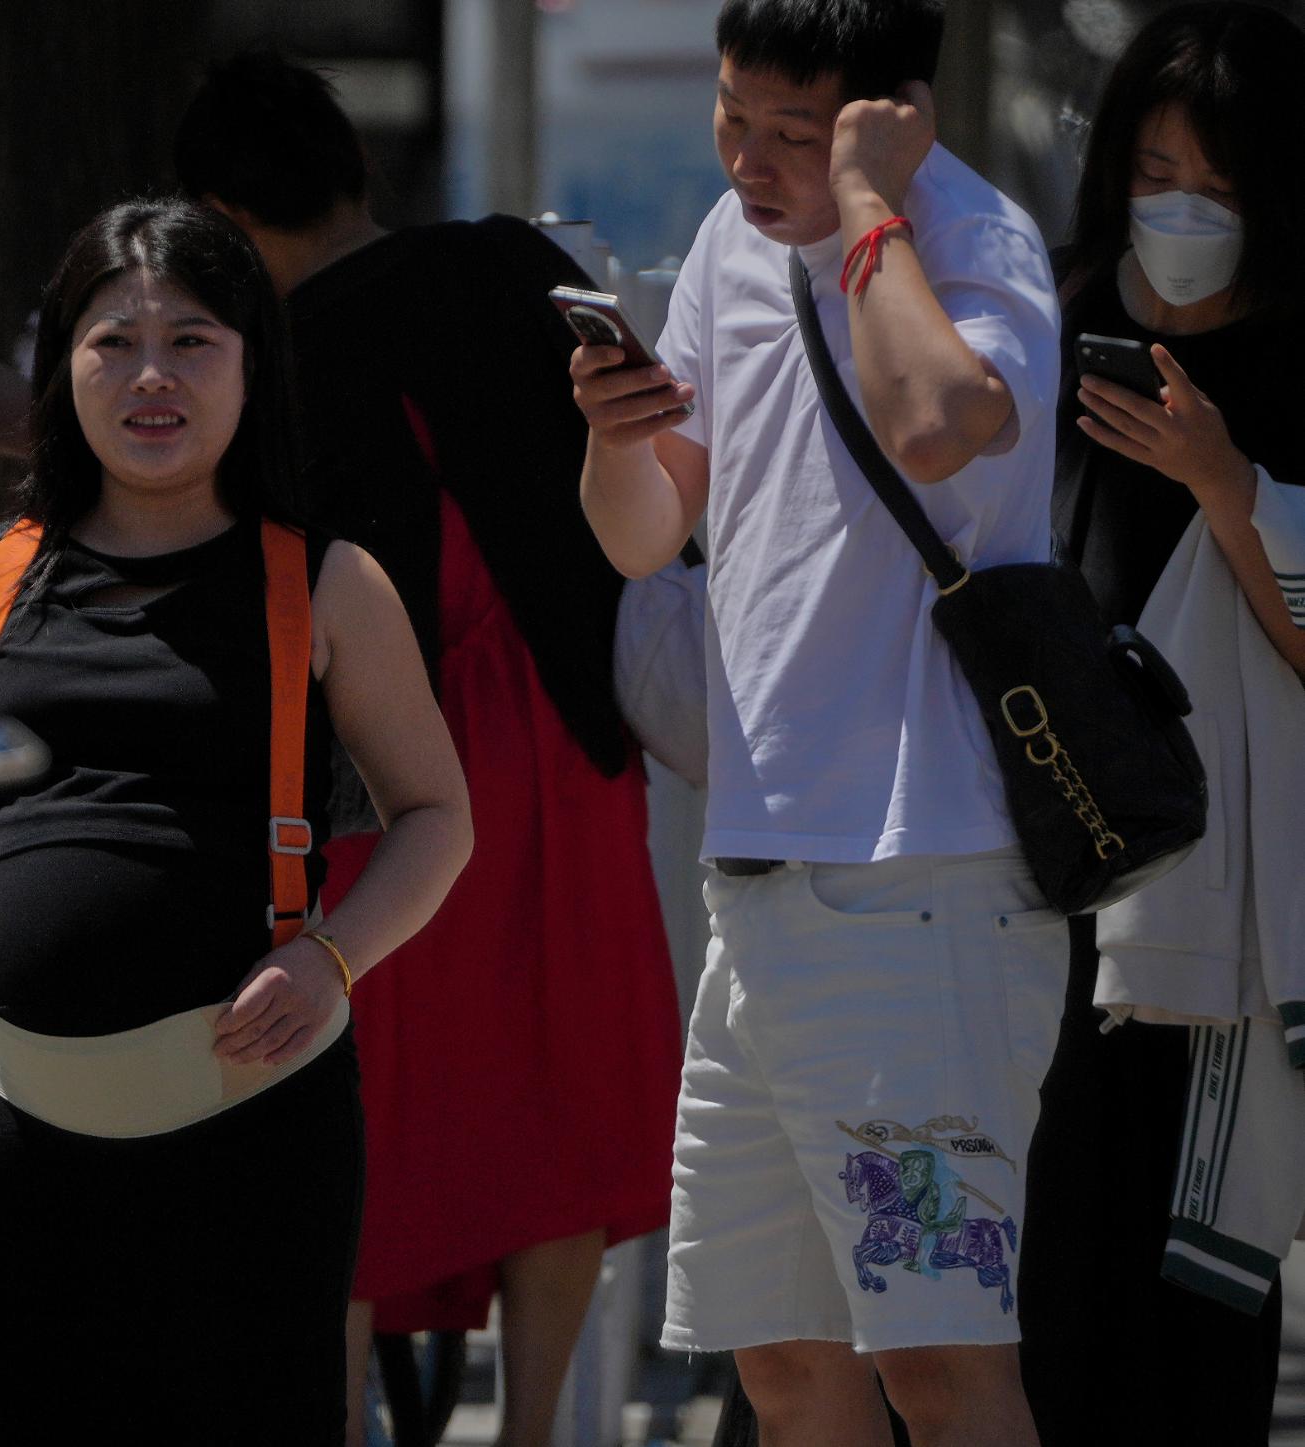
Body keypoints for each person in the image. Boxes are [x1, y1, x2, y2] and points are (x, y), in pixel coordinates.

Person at [0, 198, 472, 1445]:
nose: (152, 375)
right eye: (113, 341)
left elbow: (435, 816)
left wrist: (334, 955)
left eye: (191, 340)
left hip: (257, 1133)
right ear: (63, 369)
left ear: (251, 366)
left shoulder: (325, 582)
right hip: (29, 1136)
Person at [570, 1, 1068, 1443]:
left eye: (793, 131)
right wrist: (610, 433)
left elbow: (932, 421)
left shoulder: (972, 242)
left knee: (938, 1360)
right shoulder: (726, 247)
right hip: (758, 885)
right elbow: (641, 531)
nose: (748, 160)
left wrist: (863, 202)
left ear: (889, 114)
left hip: (924, 888)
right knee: (782, 1362)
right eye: (732, 116)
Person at [174, 53, 682, 1447]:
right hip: (564, 733)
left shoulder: (268, 356)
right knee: (560, 1094)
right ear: (350, 167)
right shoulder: (515, 264)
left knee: (360, 1115)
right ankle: (533, 1427)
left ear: (223, 214)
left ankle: (336, 1421)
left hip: (383, 773)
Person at [1016, 7, 1305, 1443]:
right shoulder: (1046, 321)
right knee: (1027, 1292)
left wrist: (1224, 483)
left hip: (1208, 920)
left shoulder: (1297, 354)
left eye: (1221, 183)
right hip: (1028, 884)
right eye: (1153, 171)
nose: (1181, 208)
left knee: (1183, 1328)